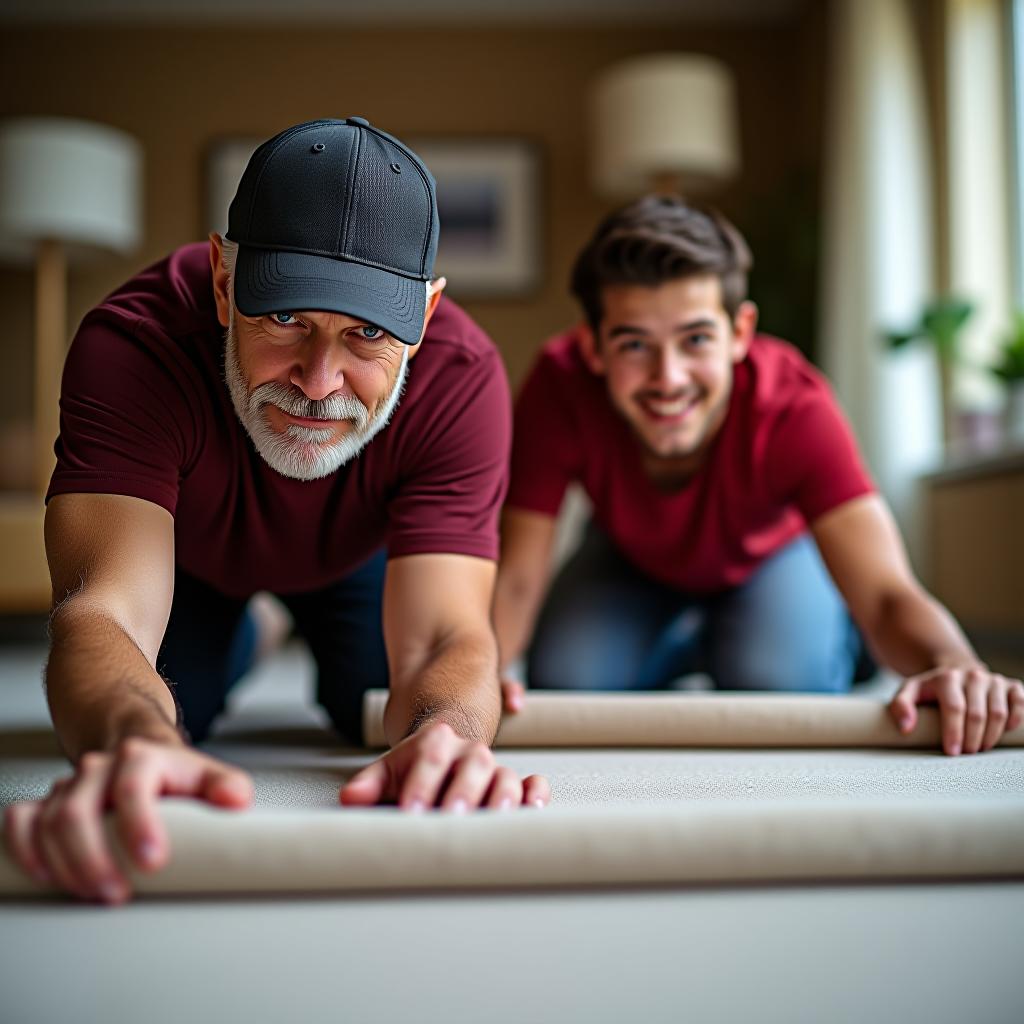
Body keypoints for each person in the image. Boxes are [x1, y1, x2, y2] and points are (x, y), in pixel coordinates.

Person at [4, 117, 549, 905]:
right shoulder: (134, 345)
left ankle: (289, 621)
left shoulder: (463, 380)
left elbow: (444, 634)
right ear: (225, 283)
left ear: (426, 319)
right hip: (184, 559)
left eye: (366, 333)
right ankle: (257, 629)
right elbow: (105, 615)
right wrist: (133, 738)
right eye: (285, 317)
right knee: (175, 697)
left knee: (372, 703)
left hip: (356, 558)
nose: (319, 381)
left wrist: (451, 733)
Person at [494, 195, 1023, 757]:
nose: (668, 378)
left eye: (696, 339)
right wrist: (486, 669)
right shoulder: (557, 386)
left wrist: (958, 666)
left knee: (781, 686)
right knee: (566, 679)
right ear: (592, 346)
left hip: (771, 556)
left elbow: (888, 594)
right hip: (627, 556)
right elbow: (518, 577)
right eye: (634, 345)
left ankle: (811, 632)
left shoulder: (795, 406)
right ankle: (697, 639)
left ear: (740, 333)